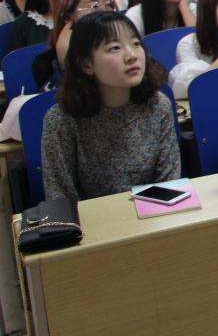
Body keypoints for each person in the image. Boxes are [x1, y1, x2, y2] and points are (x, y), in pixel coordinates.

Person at [41, 11, 180, 201]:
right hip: (90, 218)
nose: (131, 55)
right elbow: (60, 197)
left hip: (153, 213)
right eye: (115, 48)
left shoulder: (158, 105)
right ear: (86, 64)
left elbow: (170, 183)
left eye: (136, 43)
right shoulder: (62, 119)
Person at [32, 0, 116, 92]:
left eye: (107, 4)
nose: (106, 12)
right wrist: (65, 64)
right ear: (67, 16)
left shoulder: (124, 44)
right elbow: (57, 100)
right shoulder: (46, 63)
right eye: (94, 6)